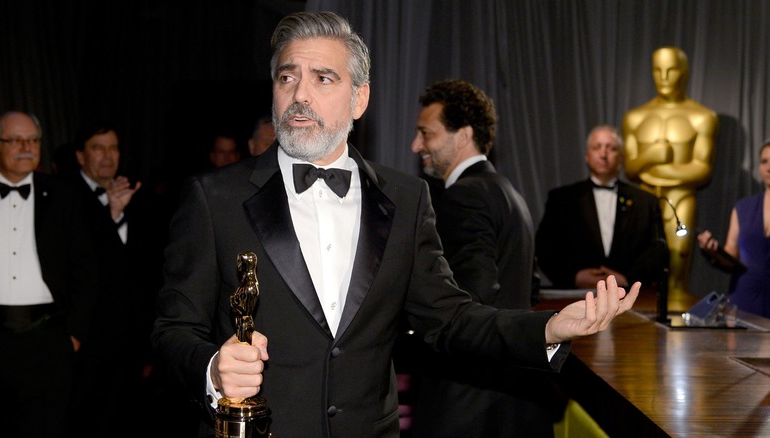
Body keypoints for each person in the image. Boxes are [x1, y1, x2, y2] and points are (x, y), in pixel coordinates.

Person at [150, 11, 640, 438]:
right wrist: (213, 369)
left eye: (323, 78)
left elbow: (449, 318)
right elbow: (174, 330)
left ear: (359, 99)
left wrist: (549, 327)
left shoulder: (405, 199)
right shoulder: (214, 198)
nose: (300, 94)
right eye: (287, 77)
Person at [408, 79, 562, 437]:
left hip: (469, 403)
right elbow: (531, 287)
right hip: (515, 399)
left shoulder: (464, 196)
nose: (417, 145)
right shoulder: (509, 193)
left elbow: (467, 303)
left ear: (463, 135)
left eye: (426, 134)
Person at [0, 111, 98, 438]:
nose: (26, 147)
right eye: (16, 140)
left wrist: (74, 335)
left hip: (48, 342)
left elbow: (86, 268)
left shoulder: (64, 196)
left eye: (33, 140)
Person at [67, 120, 166, 435]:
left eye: (113, 148)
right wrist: (110, 216)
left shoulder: (139, 197)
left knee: (127, 421)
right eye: (98, 148)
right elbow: (79, 267)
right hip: (85, 340)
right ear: (81, 156)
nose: (108, 156)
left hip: (131, 340)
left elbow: (148, 270)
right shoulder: (63, 198)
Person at [623, 46, 719, 298]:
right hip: (643, 200)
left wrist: (656, 171)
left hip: (680, 198)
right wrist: (650, 156)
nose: (664, 77)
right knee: (637, 274)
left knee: (677, 266)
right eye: (658, 70)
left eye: (671, 70)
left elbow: (702, 169)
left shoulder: (701, 117)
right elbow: (630, 168)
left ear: (684, 72)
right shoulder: (635, 117)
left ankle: (676, 332)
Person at [536, 124, 666, 290]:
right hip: (572, 297)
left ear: (621, 157)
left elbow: (657, 251)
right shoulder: (561, 199)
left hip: (630, 296)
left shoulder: (646, 202)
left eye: (611, 148)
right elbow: (544, 247)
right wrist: (574, 276)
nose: (603, 154)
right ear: (587, 156)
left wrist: (626, 279)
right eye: (597, 147)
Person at [697, 138, 770, 318]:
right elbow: (731, 254)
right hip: (744, 299)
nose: (769, 167)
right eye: (764, 161)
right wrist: (714, 250)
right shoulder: (743, 208)